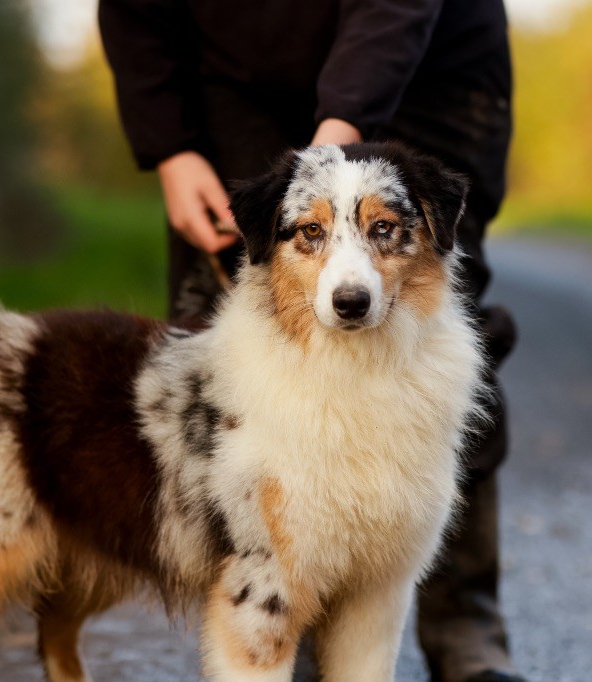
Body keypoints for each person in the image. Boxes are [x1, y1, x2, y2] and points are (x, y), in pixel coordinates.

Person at [98, 1, 522, 680]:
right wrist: (169, 146)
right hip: (230, 69)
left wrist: (337, 143)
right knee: (220, 327)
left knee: (428, 324)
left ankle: (462, 617)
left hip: (429, 63)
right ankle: (278, 598)